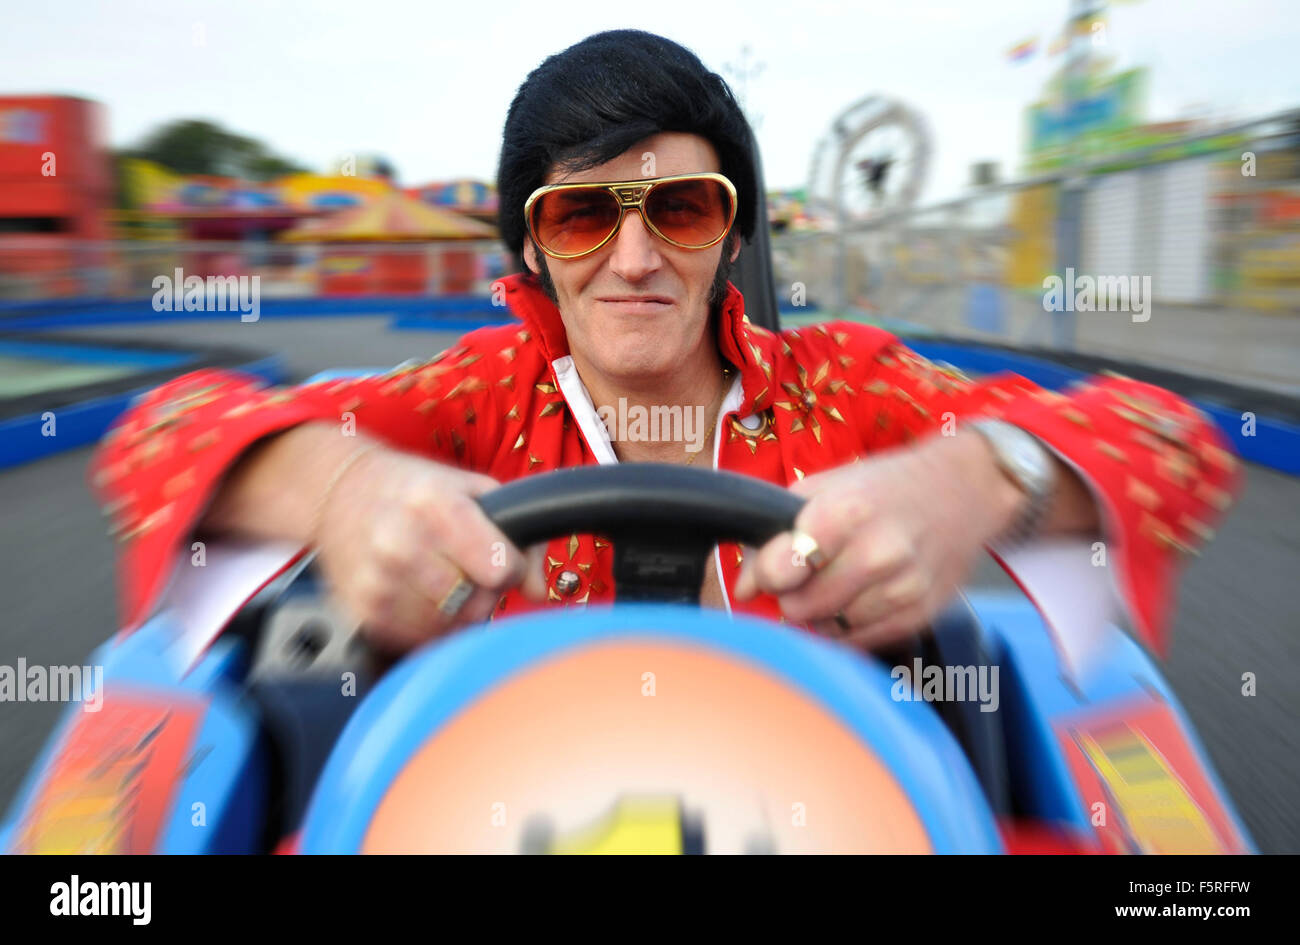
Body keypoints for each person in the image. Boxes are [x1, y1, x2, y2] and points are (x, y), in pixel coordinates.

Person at [90, 30, 1239, 656]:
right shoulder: (475, 392)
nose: (635, 262)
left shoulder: (843, 380)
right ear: (531, 246)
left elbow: (1163, 435)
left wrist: (973, 480)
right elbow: (163, 431)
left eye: (679, 210)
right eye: (583, 214)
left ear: (728, 231)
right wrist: (342, 493)